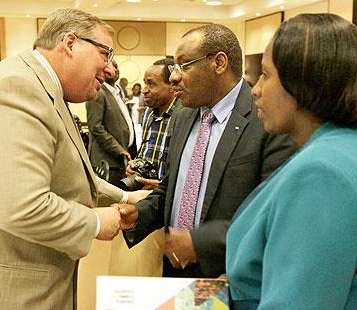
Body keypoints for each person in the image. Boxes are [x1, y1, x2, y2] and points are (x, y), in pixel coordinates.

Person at [0, 8, 139, 310]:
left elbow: (68, 173)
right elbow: (22, 205)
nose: (111, 70)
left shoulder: (41, 88)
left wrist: (127, 196)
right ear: (70, 43)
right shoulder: (15, 89)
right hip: (6, 296)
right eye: (105, 54)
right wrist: (98, 221)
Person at [123, 23, 298, 278]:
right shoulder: (182, 116)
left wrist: (199, 243)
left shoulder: (268, 121)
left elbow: (272, 216)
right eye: (174, 67)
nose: (174, 76)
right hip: (176, 270)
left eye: (184, 65)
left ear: (219, 63)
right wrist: (141, 212)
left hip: (229, 276)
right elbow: (172, 187)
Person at [226, 14, 357, 310]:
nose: (256, 89)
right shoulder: (345, 147)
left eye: (266, 74)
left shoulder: (322, 173)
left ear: (303, 82)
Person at [125, 58, 181, 190]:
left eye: (151, 84)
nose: (144, 90)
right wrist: (135, 164)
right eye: (145, 83)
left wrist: (160, 186)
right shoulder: (149, 113)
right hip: (144, 195)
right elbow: (146, 150)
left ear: (171, 86)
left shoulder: (184, 115)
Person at [86, 60, 137, 188]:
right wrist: (118, 149)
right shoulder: (98, 92)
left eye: (116, 66)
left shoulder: (115, 93)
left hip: (120, 161)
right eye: (110, 66)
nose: (115, 69)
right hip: (107, 162)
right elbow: (95, 127)